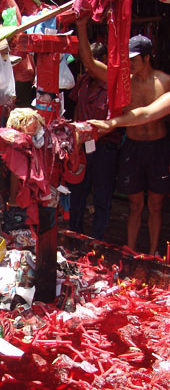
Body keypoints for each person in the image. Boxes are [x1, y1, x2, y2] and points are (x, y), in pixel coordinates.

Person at [76, 19, 170, 255]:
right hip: (133, 147)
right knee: (135, 205)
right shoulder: (123, 81)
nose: (128, 63)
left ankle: (152, 253)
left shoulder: (165, 82)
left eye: (134, 59)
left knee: (156, 206)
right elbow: (89, 62)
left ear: (147, 57)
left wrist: (111, 123)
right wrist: (81, 26)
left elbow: (146, 114)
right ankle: (130, 250)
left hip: (158, 147)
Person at [68, 42, 121, 241]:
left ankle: (98, 240)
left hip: (104, 148)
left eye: (92, 65)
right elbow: (76, 109)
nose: (88, 69)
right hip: (81, 147)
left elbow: (116, 120)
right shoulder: (82, 81)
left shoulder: (113, 87)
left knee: (102, 195)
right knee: (77, 192)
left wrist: (93, 133)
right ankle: (74, 235)